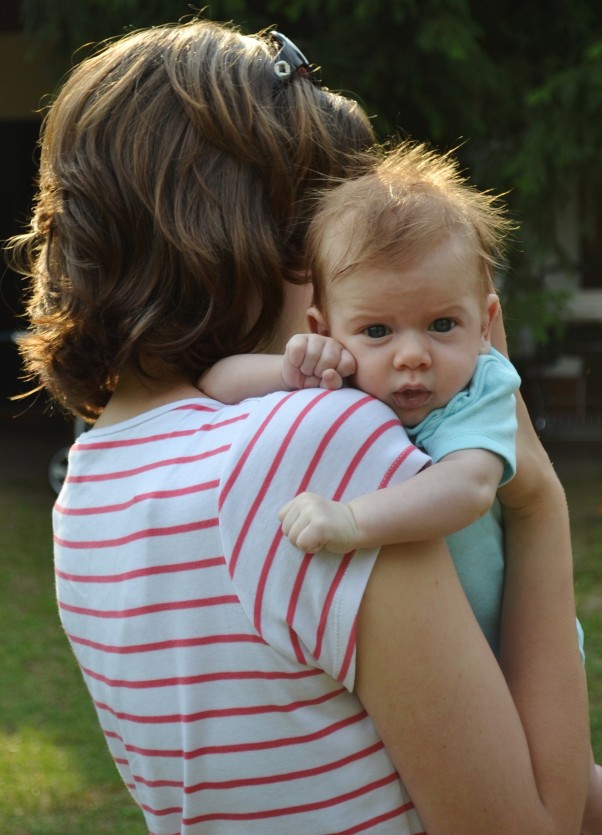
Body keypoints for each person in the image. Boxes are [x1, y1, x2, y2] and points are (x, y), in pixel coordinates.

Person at [9, 17, 592, 835]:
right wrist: (536, 500)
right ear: (266, 235)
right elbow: (537, 825)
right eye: (320, 226)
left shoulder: (88, 491)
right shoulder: (312, 442)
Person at [200, 142, 522, 564]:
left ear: (484, 325)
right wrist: (289, 369)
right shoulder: (344, 369)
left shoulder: (480, 388)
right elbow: (215, 384)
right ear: (324, 329)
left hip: (488, 630)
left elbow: (470, 486)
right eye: (376, 330)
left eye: (442, 325)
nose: (411, 356)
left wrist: (353, 520)